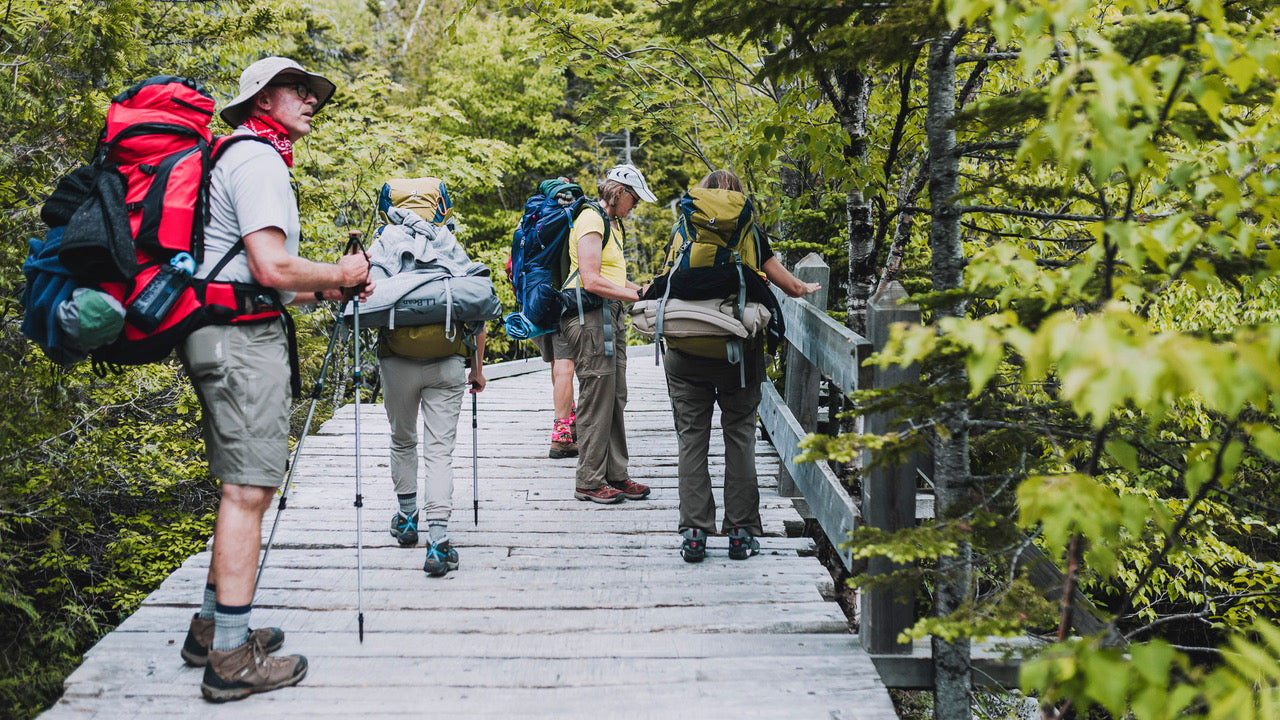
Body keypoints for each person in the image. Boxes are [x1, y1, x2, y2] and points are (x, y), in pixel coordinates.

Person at [177, 56, 373, 702]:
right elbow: (270, 266)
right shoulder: (257, 159)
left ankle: (212, 630)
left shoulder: (240, 156)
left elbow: (261, 276)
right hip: (238, 342)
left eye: (313, 93)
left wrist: (321, 290)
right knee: (249, 491)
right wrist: (341, 276)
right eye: (298, 90)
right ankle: (230, 659)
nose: (311, 100)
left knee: (242, 488)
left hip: (223, 331)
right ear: (262, 99)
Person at [663, 169, 819, 563]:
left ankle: (695, 533)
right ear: (738, 195)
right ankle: (741, 533)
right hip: (739, 353)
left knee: (691, 439)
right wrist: (805, 288)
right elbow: (787, 283)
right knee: (740, 437)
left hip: (685, 349)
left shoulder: (684, 224)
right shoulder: (747, 226)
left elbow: (667, 278)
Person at [380, 216, 488, 577]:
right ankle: (438, 542)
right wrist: (476, 368)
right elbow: (478, 313)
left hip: (396, 363)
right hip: (447, 362)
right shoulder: (450, 249)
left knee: (402, 441)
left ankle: (408, 520)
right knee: (439, 451)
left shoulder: (387, 248)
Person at [559, 164, 656, 504]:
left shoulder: (613, 224)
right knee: (596, 397)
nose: (636, 207)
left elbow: (611, 275)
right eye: (635, 200)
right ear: (620, 193)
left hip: (609, 315)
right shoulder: (591, 219)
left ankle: (616, 474)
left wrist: (642, 291)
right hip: (590, 317)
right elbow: (591, 279)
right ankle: (588, 480)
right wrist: (634, 296)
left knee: (615, 397)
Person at [532, 331, 577, 458]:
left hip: (537, 314)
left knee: (556, 361)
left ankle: (571, 420)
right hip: (562, 316)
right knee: (565, 364)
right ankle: (561, 436)